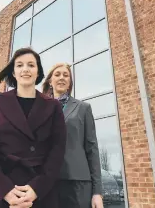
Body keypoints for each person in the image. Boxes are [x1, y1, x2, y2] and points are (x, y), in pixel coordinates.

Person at [0, 48, 67, 208]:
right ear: (14, 73)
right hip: (0, 188)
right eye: (20, 65)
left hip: (39, 189)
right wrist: (4, 189)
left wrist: (37, 188)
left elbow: (57, 148)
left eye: (31, 65)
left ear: (38, 72)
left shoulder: (53, 106)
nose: (26, 69)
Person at [43, 63, 104, 208]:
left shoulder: (83, 108)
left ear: (70, 82)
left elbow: (92, 150)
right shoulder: (40, 110)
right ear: (50, 81)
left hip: (77, 185)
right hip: (47, 183)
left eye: (66, 75)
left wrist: (97, 192)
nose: (61, 78)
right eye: (57, 75)